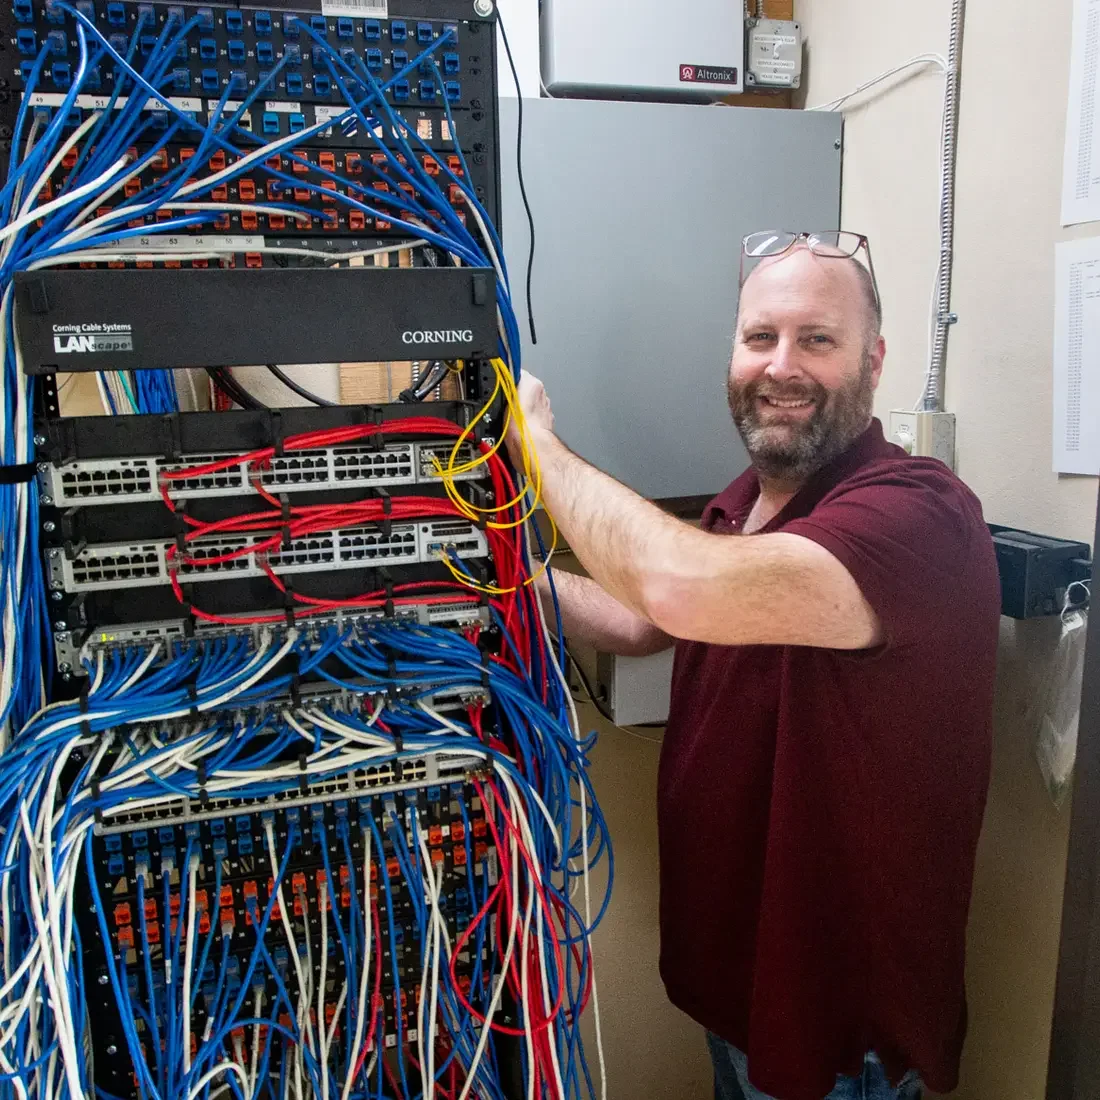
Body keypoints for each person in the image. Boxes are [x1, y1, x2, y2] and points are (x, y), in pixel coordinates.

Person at [504, 232, 1001, 1100]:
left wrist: (535, 446)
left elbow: (681, 587)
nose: (781, 366)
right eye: (760, 337)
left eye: (818, 339)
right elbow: (646, 617)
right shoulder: (747, 501)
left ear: (874, 360)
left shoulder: (919, 513)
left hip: (832, 1024)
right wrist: (491, 581)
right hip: (736, 985)